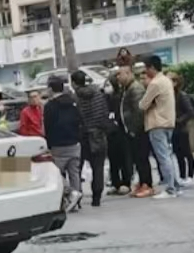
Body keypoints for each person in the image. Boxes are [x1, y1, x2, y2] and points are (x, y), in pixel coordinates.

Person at [139, 55, 180, 198]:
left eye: (146, 68)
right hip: (168, 122)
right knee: (168, 156)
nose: (145, 71)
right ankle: (175, 185)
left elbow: (142, 104)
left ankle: (170, 189)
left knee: (163, 157)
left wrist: (147, 103)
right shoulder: (167, 80)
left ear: (151, 67)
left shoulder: (155, 83)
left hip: (157, 123)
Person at [43, 77, 83, 211]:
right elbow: (80, 120)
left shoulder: (49, 106)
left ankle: (69, 195)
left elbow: (48, 127)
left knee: (56, 174)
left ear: (50, 89)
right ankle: (76, 201)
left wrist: (49, 145)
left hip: (58, 145)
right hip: (74, 143)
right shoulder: (73, 102)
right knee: (74, 173)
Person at [114, 65, 154, 196]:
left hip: (138, 130)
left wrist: (134, 129)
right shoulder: (127, 88)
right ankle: (142, 182)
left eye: (120, 74)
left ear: (128, 73)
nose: (118, 77)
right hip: (130, 129)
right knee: (137, 158)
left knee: (141, 158)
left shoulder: (135, 88)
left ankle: (147, 184)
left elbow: (138, 111)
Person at [71, 70, 109, 207]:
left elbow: (75, 118)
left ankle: (77, 199)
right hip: (98, 134)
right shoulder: (98, 94)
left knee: (77, 169)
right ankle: (96, 198)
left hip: (82, 136)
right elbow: (104, 112)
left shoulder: (75, 98)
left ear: (74, 83)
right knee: (98, 168)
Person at [168, 71, 194, 184]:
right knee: (178, 154)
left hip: (181, 129)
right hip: (173, 129)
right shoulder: (168, 96)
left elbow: (190, 112)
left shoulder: (181, 96)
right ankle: (182, 175)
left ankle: (190, 175)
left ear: (175, 83)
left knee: (187, 153)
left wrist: (179, 120)